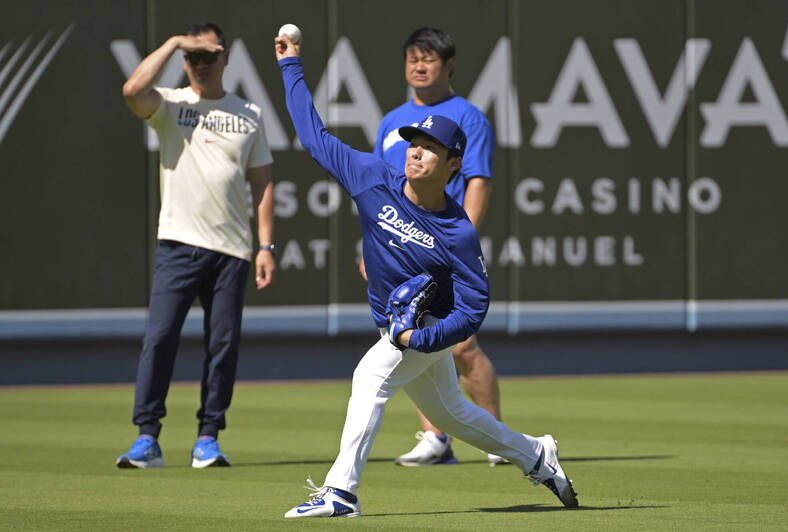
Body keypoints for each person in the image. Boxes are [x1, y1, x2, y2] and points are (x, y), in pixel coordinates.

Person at [274, 32, 577, 518]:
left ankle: (340, 494)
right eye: (414, 142)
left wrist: (424, 337)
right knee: (450, 414)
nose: (416, 152)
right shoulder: (373, 177)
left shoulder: (457, 232)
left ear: (453, 165)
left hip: (418, 330)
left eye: (431, 147)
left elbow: (475, 307)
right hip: (397, 323)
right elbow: (313, 137)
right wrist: (291, 67)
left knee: (369, 377)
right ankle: (535, 453)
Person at [116, 22, 276, 469]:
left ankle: (208, 437)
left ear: (226, 58)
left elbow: (262, 184)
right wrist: (172, 44)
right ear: (185, 60)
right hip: (178, 244)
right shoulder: (170, 104)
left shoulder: (250, 113)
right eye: (194, 57)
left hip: (232, 251)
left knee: (222, 345)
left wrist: (267, 246)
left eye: (210, 56)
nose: (201, 65)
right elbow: (132, 89)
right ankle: (147, 437)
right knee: (160, 338)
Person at [370, 27, 505, 467]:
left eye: (428, 58)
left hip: (443, 246)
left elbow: (478, 182)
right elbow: (378, 193)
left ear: (448, 66)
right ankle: (434, 439)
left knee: (463, 346)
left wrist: (456, 245)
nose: (419, 66)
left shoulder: (468, 117)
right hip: (397, 249)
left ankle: (495, 438)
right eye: (412, 58)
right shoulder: (393, 122)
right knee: (412, 339)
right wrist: (371, 247)